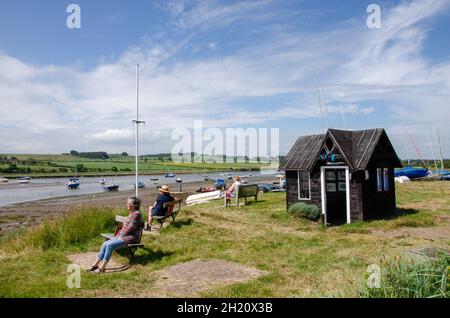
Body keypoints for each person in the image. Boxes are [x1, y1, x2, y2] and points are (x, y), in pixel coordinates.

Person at [89, 196, 143, 273]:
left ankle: (103, 267)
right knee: (105, 244)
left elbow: (130, 229)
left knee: (110, 245)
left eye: (128, 203)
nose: (126, 205)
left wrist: (119, 237)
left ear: (134, 205)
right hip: (124, 236)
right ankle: (95, 264)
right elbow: (125, 227)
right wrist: (118, 235)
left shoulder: (136, 214)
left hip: (131, 237)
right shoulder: (132, 213)